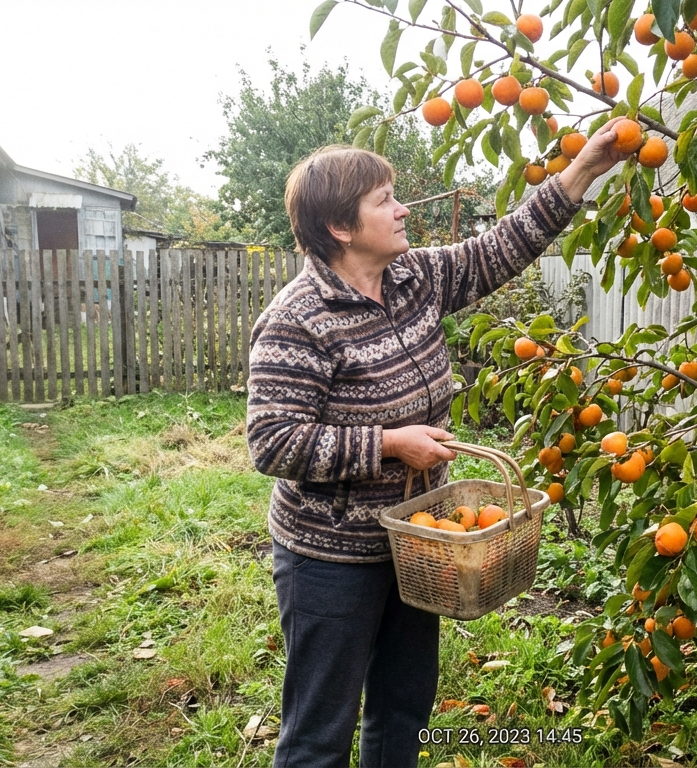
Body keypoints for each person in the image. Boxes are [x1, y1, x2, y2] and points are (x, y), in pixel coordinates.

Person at [245, 119, 628, 768]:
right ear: (340, 227)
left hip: (418, 541)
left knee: (404, 707)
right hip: (331, 556)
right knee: (319, 731)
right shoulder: (297, 320)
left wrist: (584, 169)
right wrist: (390, 443)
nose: (402, 209)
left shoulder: (413, 277)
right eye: (384, 200)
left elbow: (499, 247)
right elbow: (273, 443)